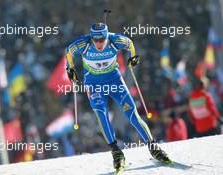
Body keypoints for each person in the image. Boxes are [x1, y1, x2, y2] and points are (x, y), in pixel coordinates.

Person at [65, 23, 171, 170]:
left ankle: (154, 147)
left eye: (102, 40)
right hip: (94, 84)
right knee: (101, 114)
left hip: (114, 82)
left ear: (107, 36)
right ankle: (116, 152)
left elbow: (130, 44)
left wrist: (133, 58)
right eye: (95, 40)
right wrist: (69, 68)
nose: (98, 43)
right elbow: (69, 51)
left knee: (132, 115)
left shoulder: (115, 40)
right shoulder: (85, 43)